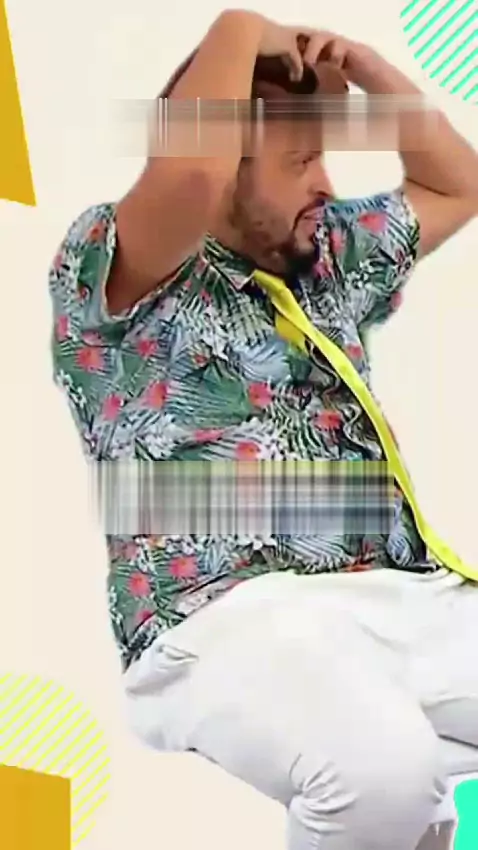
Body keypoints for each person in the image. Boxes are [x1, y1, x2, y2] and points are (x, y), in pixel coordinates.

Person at [49, 10, 478, 850]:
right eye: (299, 162)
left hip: (393, 593)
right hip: (223, 615)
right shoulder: (119, 267)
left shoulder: (321, 256)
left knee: (396, 778)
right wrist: (241, 25)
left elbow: (457, 185)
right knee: (379, 774)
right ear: (226, 175)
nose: (326, 182)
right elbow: (189, 174)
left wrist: (369, 67)